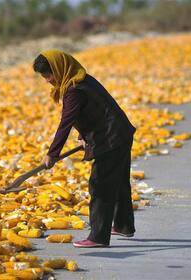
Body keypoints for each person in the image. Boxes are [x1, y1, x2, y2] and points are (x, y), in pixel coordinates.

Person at [32, 49, 137, 248]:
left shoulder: (74, 90)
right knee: (120, 183)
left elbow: (66, 122)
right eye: (44, 76)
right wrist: (83, 136)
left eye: (48, 74)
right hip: (121, 133)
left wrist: (52, 154)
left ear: (59, 68)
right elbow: (94, 112)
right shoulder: (82, 79)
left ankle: (98, 237)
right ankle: (124, 226)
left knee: (100, 186)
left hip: (111, 139)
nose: (47, 80)